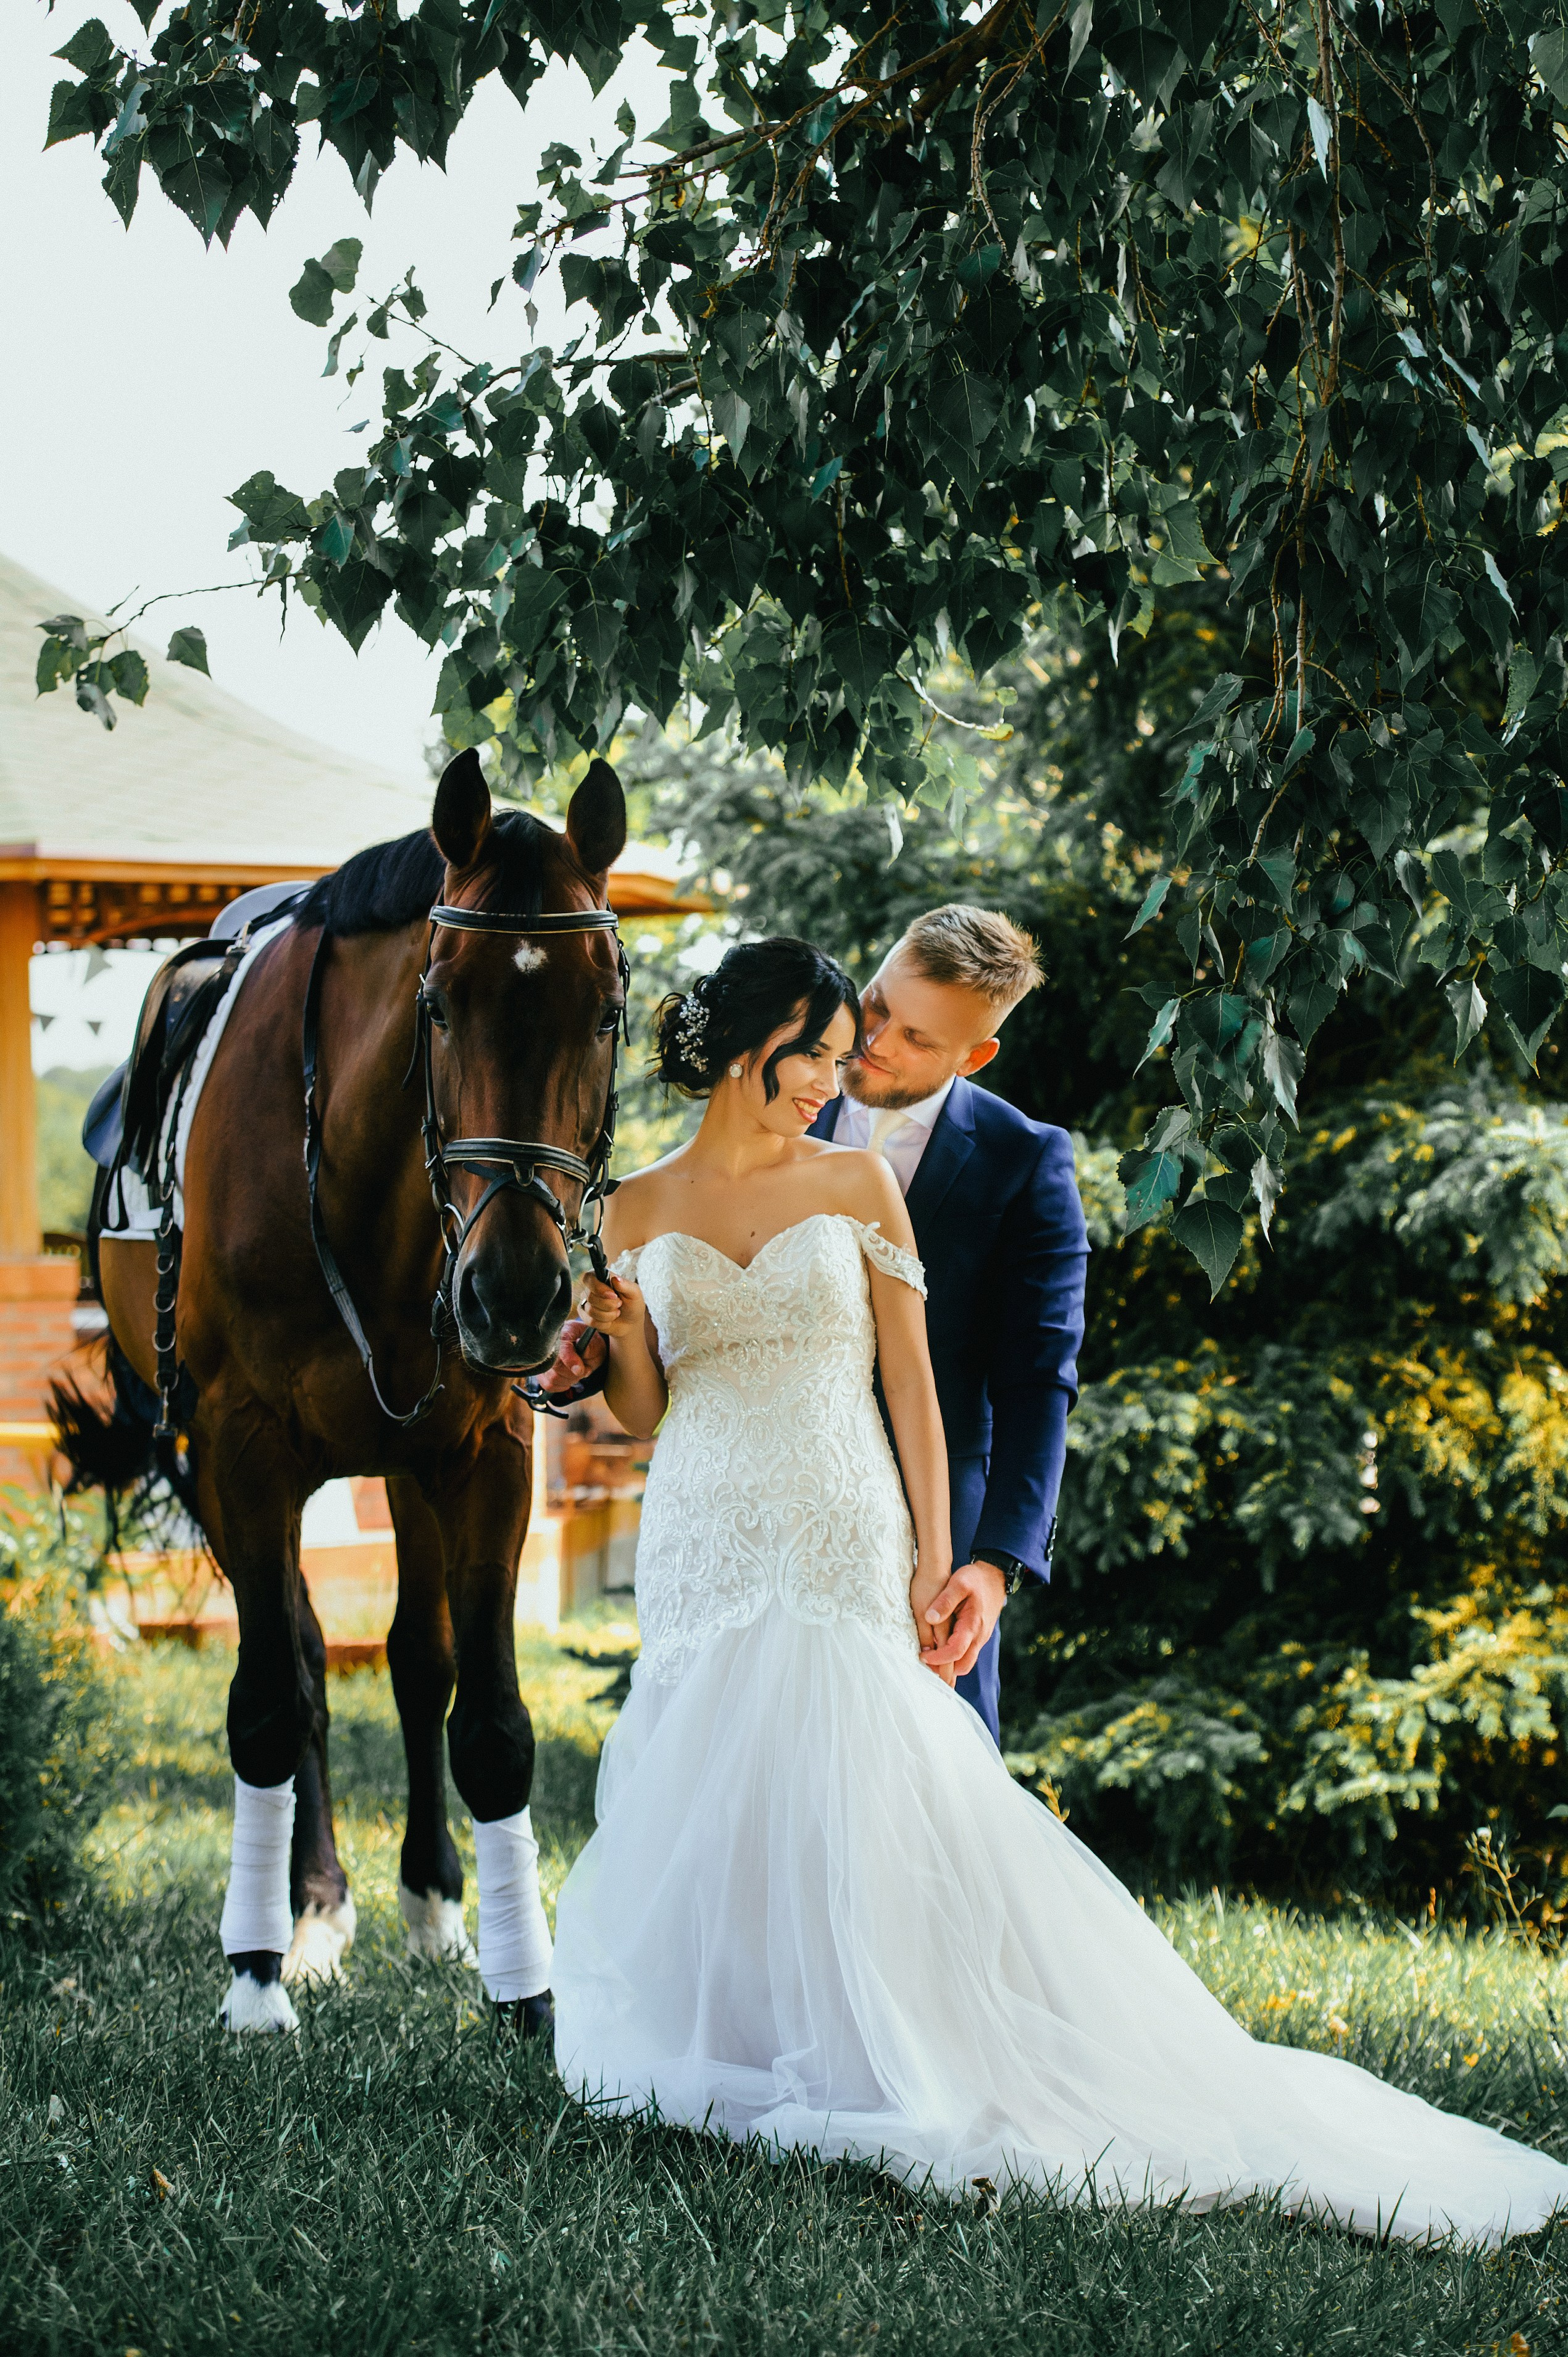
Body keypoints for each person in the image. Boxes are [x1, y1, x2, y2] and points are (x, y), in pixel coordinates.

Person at [548, 934, 1568, 2241]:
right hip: (699, 1521)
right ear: (757, 1049)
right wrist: (619, 1346)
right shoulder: (629, 1209)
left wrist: (936, 1554)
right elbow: (641, 1411)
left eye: (850, 1048)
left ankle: (892, 2032)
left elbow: (915, 1390)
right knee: (710, 1761)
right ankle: (744, 2029)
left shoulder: (858, 1178)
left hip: (837, 1512)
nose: (841, 1069)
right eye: (821, 1050)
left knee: (863, 1769)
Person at [806, 905, 1086, 1739]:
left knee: (932, 1782)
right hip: (778, 1498)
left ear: (977, 1056)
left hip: (930, 1537)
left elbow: (1040, 1385)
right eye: (878, 1001)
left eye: (918, 1039)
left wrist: (994, 1566)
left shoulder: (1026, 1162)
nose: (875, 1040)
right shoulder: (776, 1111)